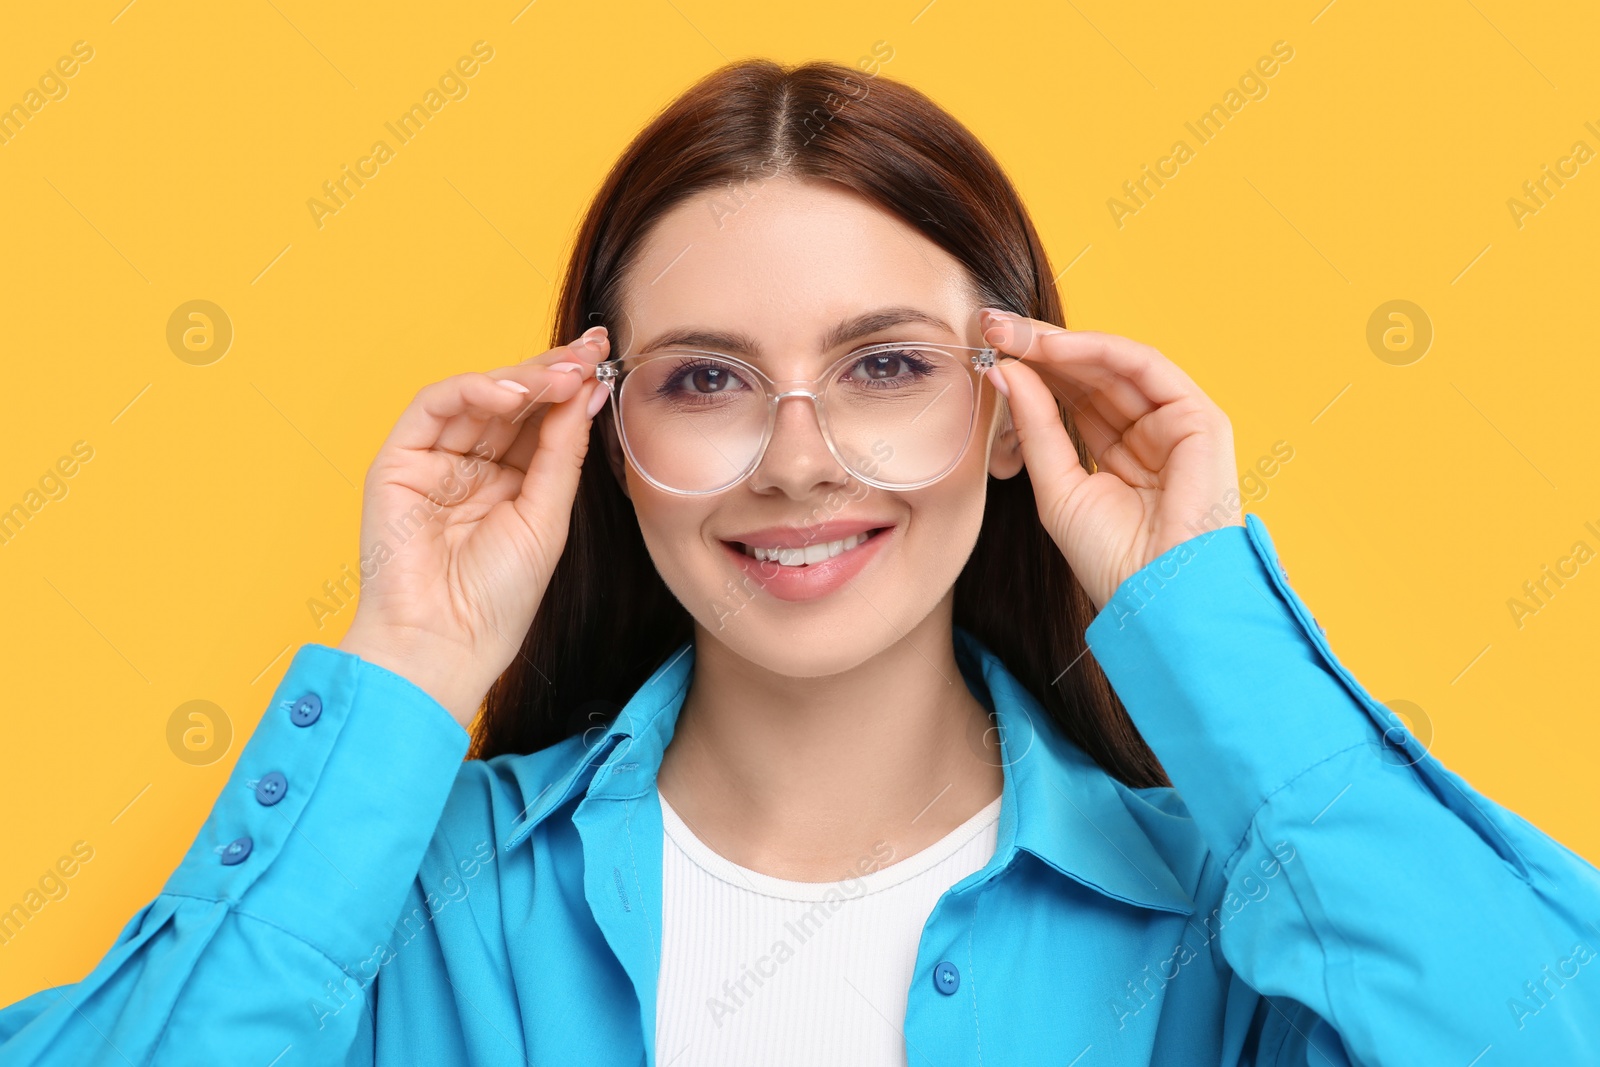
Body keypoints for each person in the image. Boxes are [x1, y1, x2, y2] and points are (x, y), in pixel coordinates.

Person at [3, 57, 1597, 1066]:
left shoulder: (1227, 927)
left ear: (1006, 411)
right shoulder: (405, 896)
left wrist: (1207, 620)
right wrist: (405, 668)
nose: (796, 455)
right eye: (702, 380)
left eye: (888, 365)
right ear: (604, 440)